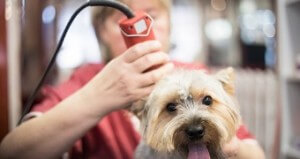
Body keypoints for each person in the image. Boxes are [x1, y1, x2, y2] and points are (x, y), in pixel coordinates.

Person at [0, 0, 265, 158]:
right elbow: (12, 152)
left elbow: (255, 154)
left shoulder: (195, 74)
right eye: (125, 17)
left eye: (153, 14)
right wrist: (99, 97)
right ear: (101, 31)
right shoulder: (86, 81)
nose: (142, 28)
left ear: (169, 24)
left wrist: (228, 144)